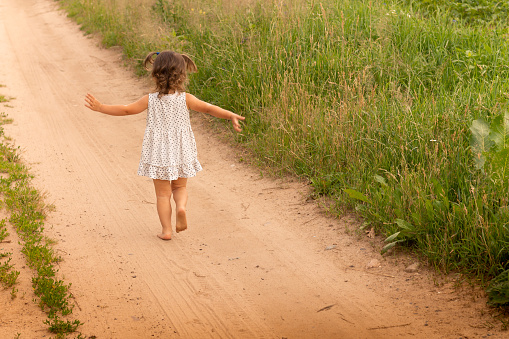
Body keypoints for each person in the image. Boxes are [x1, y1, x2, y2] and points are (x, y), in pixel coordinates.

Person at [85, 50, 245, 240]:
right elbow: (210, 109)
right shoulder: (186, 98)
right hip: (181, 149)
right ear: (182, 74)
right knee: (179, 188)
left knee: (162, 195)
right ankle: (182, 207)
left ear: (155, 74)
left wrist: (101, 107)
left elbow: (127, 110)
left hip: (158, 152)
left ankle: (167, 231)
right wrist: (230, 115)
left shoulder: (150, 100)